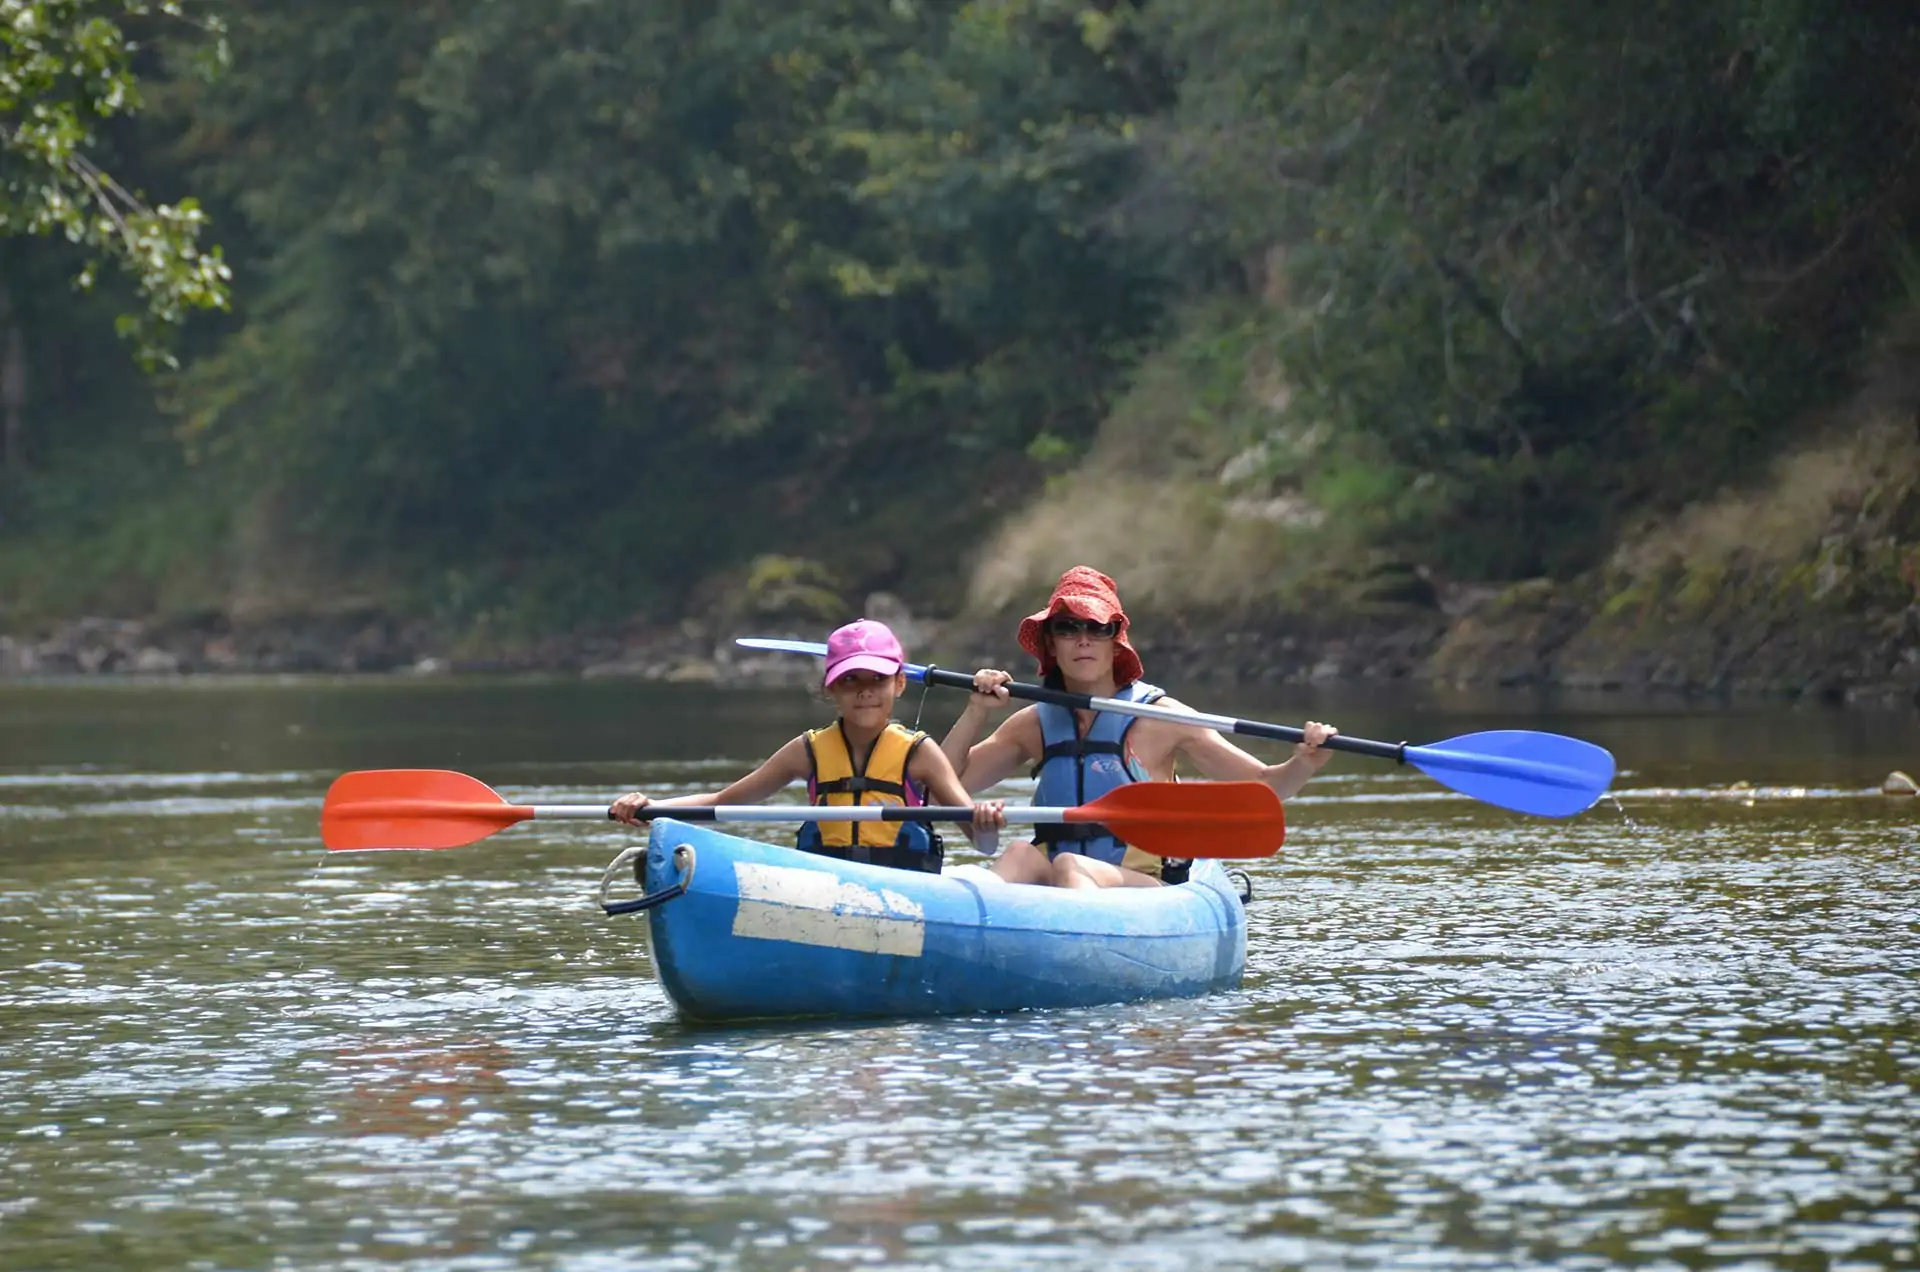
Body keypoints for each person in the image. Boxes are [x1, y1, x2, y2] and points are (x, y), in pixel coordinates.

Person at [940, 566, 1337, 889]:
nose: (1083, 640)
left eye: (1098, 628)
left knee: (1072, 868)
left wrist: (1304, 762)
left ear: (1116, 643)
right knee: (1019, 854)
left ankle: (1080, 957)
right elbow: (943, 786)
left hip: (1141, 886)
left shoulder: (1163, 718)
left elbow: (1265, 786)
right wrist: (976, 711)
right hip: (1059, 880)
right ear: (1051, 644)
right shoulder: (1034, 723)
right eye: (1067, 628)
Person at [610, 618, 1003, 870]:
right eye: (850, 680)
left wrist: (984, 820)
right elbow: (724, 801)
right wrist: (651, 808)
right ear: (830, 688)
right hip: (827, 886)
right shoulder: (807, 751)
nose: (864, 692)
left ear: (899, 684)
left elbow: (982, 843)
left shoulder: (920, 753)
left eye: (877, 680)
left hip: (908, 893)